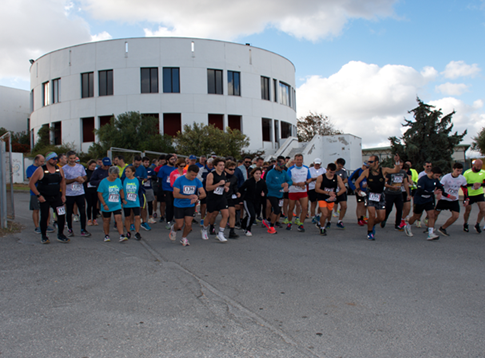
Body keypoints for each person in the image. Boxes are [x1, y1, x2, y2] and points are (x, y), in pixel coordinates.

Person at [355, 154, 402, 240]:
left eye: (371, 162)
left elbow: (396, 170)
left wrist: (397, 162)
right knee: (372, 215)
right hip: (370, 195)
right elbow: (357, 182)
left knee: (381, 218)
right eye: (368, 162)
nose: (369, 163)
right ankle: (369, 233)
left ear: (377, 162)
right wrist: (358, 190)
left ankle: (372, 224)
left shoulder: (383, 170)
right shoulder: (366, 172)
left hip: (380, 195)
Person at [404, 166, 456, 240]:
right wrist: (433, 193)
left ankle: (430, 233)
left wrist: (446, 195)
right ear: (432, 173)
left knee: (432, 215)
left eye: (439, 176)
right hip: (420, 200)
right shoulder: (423, 179)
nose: (437, 177)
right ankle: (408, 226)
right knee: (416, 216)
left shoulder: (435, 180)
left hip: (428, 200)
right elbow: (420, 191)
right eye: (436, 175)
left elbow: (440, 188)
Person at [28, 152, 69, 244]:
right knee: (45, 216)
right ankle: (44, 236)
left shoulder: (59, 169)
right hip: (45, 197)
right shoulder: (40, 170)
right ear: (48, 160)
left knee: (61, 215)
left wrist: (63, 195)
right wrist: (38, 195)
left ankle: (61, 234)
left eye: (56, 159)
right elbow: (31, 184)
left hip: (57, 196)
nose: (55, 161)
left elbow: (62, 182)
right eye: (53, 159)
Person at [170, 165, 206, 246]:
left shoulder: (197, 181)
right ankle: (173, 229)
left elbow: (203, 194)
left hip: (190, 205)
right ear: (188, 172)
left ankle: (184, 238)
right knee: (179, 225)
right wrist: (188, 197)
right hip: (179, 205)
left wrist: (197, 197)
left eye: (195, 175)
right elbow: (175, 194)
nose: (193, 177)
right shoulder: (179, 180)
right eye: (192, 175)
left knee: (189, 224)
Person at [63, 151, 91, 237]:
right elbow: (64, 181)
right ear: (67, 158)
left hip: (80, 192)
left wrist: (82, 179)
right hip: (69, 193)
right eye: (70, 158)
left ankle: (83, 229)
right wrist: (75, 179)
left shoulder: (80, 167)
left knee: (82, 211)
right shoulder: (64, 168)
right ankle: (70, 229)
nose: (72, 160)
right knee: (69, 212)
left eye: (74, 158)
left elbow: (85, 177)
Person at [434, 162, 467, 236]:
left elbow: (465, 189)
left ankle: (443, 228)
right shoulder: (446, 177)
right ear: (453, 169)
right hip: (444, 199)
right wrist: (444, 195)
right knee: (435, 214)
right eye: (457, 170)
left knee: (456, 216)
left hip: (454, 200)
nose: (459, 172)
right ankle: (430, 228)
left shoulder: (462, 178)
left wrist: (466, 199)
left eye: (460, 171)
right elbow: (440, 187)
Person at [97, 166, 128, 242]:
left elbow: (121, 190)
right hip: (107, 204)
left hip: (116, 204)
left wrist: (123, 199)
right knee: (106, 220)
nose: (114, 177)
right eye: (113, 175)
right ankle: (106, 235)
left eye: (116, 175)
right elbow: (99, 194)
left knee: (119, 219)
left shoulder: (118, 180)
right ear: (109, 173)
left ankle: (121, 235)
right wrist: (104, 204)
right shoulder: (103, 182)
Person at [202, 158, 229, 242]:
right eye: (220, 165)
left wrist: (225, 187)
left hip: (221, 197)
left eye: (223, 165)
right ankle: (204, 230)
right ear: (215, 166)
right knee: (209, 215)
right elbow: (208, 188)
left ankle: (220, 233)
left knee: (226, 214)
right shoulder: (211, 175)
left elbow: (223, 184)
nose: (222, 167)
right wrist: (218, 184)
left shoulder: (224, 173)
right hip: (212, 198)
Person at [315, 163, 346, 236]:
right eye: (330, 172)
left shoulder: (337, 177)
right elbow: (317, 189)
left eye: (334, 172)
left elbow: (343, 188)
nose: (332, 174)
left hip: (331, 198)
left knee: (328, 214)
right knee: (325, 213)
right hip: (322, 197)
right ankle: (322, 228)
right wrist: (328, 192)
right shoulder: (321, 177)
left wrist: (335, 194)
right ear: (327, 170)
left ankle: (319, 223)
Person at [27, 155, 55, 234]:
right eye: (41, 161)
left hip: (45, 192)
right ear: (36, 161)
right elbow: (32, 180)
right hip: (35, 192)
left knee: (47, 209)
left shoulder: (44, 168)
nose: (43, 163)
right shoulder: (30, 169)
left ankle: (46, 225)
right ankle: (37, 226)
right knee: (36, 209)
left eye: (43, 161)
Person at [264, 157, 293, 234]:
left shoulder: (283, 172)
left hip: (280, 194)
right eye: (281, 167)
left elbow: (290, 181)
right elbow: (268, 184)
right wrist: (280, 185)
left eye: (283, 167)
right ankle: (271, 226)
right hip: (272, 194)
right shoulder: (270, 173)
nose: (282, 168)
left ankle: (271, 222)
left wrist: (287, 184)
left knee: (278, 210)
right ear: (277, 165)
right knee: (276, 209)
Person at [381, 161, 411, 231]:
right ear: (394, 165)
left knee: (399, 209)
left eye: (401, 165)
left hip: (398, 193)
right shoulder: (390, 172)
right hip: (389, 193)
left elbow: (406, 183)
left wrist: (408, 194)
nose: (400, 167)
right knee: (388, 209)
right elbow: (383, 183)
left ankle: (397, 224)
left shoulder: (403, 173)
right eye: (399, 165)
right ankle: (383, 219)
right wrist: (391, 187)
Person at [238, 167, 268, 236]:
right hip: (248, 200)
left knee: (250, 214)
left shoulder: (262, 182)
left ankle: (243, 224)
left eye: (259, 173)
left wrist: (264, 192)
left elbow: (265, 190)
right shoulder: (249, 181)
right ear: (253, 174)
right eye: (256, 173)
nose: (258, 175)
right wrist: (240, 199)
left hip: (257, 201)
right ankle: (247, 229)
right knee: (252, 215)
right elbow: (241, 189)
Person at [286, 154, 312, 232]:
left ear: (302, 160)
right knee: (291, 208)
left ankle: (301, 224)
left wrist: (305, 183)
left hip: (302, 191)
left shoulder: (306, 168)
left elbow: (310, 179)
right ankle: (290, 222)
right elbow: (288, 180)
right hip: (293, 191)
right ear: (295, 160)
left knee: (304, 208)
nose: (299, 161)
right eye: (297, 159)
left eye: (300, 159)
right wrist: (297, 184)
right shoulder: (290, 169)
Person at [463, 159, 485, 233]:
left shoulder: (483, 172)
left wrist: (480, 184)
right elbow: (463, 184)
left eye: (480, 166)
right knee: (468, 210)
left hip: (479, 193)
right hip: (469, 194)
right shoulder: (467, 173)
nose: (479, 168)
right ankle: (465, 223)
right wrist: (473, 184)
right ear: (474, 165)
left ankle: (477, 224)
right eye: (477, 166)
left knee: (483, 210)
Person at [122, 166, 142, 241]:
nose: (126, 173)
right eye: (125, 171)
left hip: (135, 201)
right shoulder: (123, 180)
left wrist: (141, 201)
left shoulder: (137, 180)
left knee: (137, 217)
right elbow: (121, 190)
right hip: (126, 201)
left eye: (128, 171)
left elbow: (140, 191)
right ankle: (128, 231)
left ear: (133, 172)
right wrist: (123, 199)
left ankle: (137, 232)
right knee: (127, 217)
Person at [157, 154, 177, 229]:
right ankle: (168, 221)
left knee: (174, 205)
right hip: (166, 189)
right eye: (172, 159)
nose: (173, 161)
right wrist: (161, 191)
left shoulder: (175, 169)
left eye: (174, 159)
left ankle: (172, 219)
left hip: (174, 189)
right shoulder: (163, 168)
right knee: (168, 205)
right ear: (168, 160)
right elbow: (160, 180)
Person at [224, 160, 240, 239]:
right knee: (214, 214)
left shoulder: (234, 177)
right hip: (220, 197)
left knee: (232, 214)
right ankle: (210, 227)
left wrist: (237, 192)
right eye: (230, 169)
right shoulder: (221, 176)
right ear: (225, 169)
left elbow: (235, 187)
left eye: (234, 169)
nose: (232, 171)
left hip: (230, 197)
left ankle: (232, 231)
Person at [332, 158, 348, 229]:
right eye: (339, 165)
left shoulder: (343, 171)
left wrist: (341, 183)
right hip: (332, 190)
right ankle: (327, 221)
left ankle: (340, 221)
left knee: (344, 206)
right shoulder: (331, 170)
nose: (339, 167)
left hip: (341, 190)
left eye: (341, 166)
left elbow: (346, 179)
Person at [308, 158, 325, 224]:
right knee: (313, 203)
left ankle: (318, 214)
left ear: (320, 164)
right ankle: (313, 216)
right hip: (312, 187)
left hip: (320, 188)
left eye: (318, 164)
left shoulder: (323, 170)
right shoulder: (310, 170)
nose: (317, 165)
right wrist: (316, 178)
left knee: (321, 202)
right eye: (316, 164)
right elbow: (309, 178)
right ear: (313, 163)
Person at [142, 157, 157, 224]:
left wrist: (149, 177)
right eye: (145, 162)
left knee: (150, 203)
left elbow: (155, 177)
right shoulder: (140, 169)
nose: (147, 163)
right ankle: (142, 218)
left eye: (148, 162)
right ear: (142, 162)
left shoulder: (150, 170)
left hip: (149, 188)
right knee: (142, 204)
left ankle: (150, 217)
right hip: (142, 188)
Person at [84, 159, 99, 226]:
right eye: (92, 166)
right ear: (89, 165)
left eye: (94, 166)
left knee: (95, 205)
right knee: (89, 204)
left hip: (95, 189)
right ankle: (89, 219)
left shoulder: (96, 172)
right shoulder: (85, 172)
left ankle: (94, 219)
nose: (93, 167)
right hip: (88, 190)